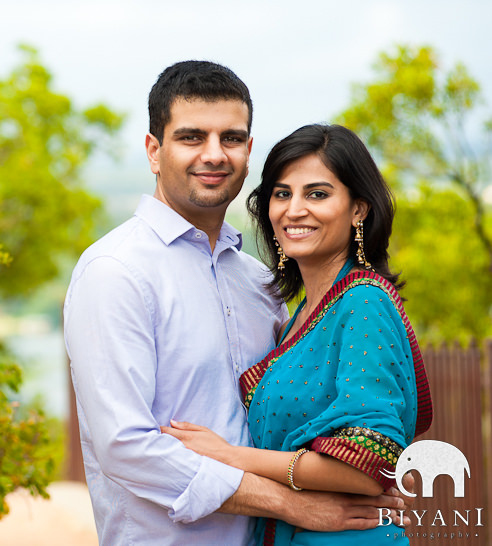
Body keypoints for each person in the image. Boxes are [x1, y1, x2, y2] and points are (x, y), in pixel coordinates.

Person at [64, 61, 409, 545]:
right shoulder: (116, 272)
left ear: (248, 152)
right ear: (153, 151)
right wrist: (294, 504)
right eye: (191, 137)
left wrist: (367, 472)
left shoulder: (260, 284)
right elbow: (126, 449)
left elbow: (317, 420)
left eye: (230, 138)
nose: (213, 154)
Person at [162, 124, 432, 545]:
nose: (295, 210)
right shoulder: (303, 313)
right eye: (282, 193)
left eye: (318, 194)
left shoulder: (362, 304)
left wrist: (230, 457)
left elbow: (371, 461)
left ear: (358, 209)